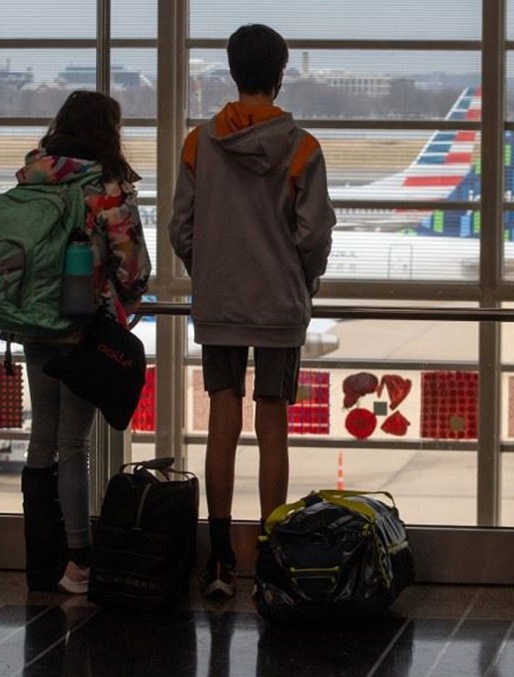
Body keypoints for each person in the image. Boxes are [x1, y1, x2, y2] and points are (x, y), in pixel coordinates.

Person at [168, 23, 336, 599]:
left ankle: (218, 559)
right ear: (280, 74)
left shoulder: (199, 143)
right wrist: (301, 279)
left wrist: (211, 271)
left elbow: (181, 228)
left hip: (220, 303)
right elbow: (313, 234)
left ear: (232, 72)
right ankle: (272, 555)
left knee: (222, 419)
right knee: (272, 425)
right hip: (279, 305)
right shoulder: (303, 147)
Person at [19, 90, 151, 595]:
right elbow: (132, 267)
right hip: (83, 326)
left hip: (33, 320)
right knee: (73, 442)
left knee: (42, 436)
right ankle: (79, 562)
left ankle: (41, 564)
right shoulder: (106, 186)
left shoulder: (34, 174)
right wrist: (127, 299)